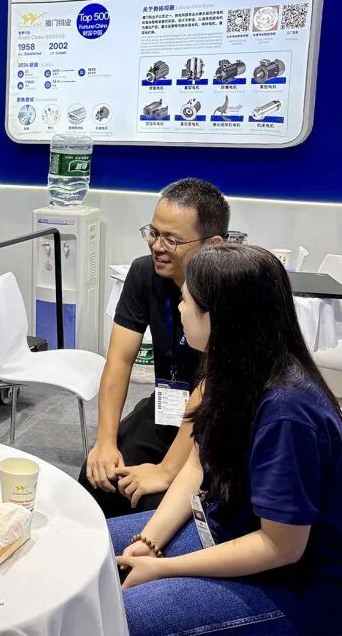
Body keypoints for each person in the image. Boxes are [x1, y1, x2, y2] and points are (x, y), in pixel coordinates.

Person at [111, 245, 342, 636]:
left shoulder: (286, 413)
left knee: (123, 615)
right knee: (90, 549)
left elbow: (281, 547)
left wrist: (163, 568)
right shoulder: (231, 366)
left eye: (186, 300)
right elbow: (197, 465)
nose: (180, 308)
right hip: (229, 530)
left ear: (218, 317)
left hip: (304, 587)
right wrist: (150, 541)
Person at [80, 178, 229, 517]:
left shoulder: (231, 286)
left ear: (212, 244)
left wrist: (166, 470)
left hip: (216, 423)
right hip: (167, 406)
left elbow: (210, 391)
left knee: (157, 505)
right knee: (98, 479)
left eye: (171, 239)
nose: (157, 246)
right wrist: (105, 441)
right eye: (153, 233)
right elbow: (119, 360)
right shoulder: (143, 273)